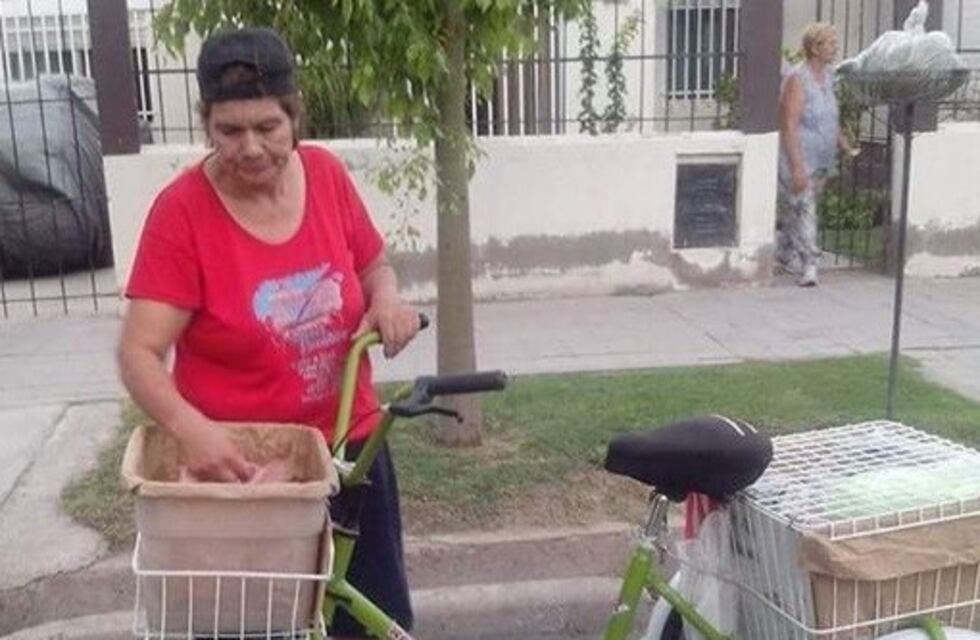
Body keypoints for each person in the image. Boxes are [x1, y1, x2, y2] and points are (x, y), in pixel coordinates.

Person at [116, 27, 419, 638]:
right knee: (258, 628)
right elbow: (140, 353)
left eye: (267, 127)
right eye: (230, 131)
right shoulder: (183, 214)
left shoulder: (327, 176)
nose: (251, 147)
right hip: (240, 476)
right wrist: (191, 432)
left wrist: (387, 298)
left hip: (347, 451)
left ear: (293, 116)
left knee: (369, 620)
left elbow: (372, 265)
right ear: (207, 126)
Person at [777, 22, 858, 287]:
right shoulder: (797, 79)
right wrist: (797, 166)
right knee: (805, 207)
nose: (835, 47)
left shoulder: (830, 76)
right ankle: (810, 264)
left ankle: (784, 251)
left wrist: (845, 145)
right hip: (800, 157)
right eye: (830, 43)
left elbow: (829, 116)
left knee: (797, 209)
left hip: (822, 158)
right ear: (814, 47)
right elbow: (789, 123)